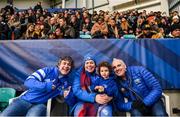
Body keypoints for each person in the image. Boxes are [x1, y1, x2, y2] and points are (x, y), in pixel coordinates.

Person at [1, 56, 74, 116]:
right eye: (64, 63)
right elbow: (28, 82)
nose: (66, 66)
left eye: (69, 65)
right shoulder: (47, 70)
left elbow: (66, 98)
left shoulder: (66, 82)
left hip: (40, 105)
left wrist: (67, 96)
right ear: (59, 65)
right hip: (24, 100)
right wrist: (46, 86)